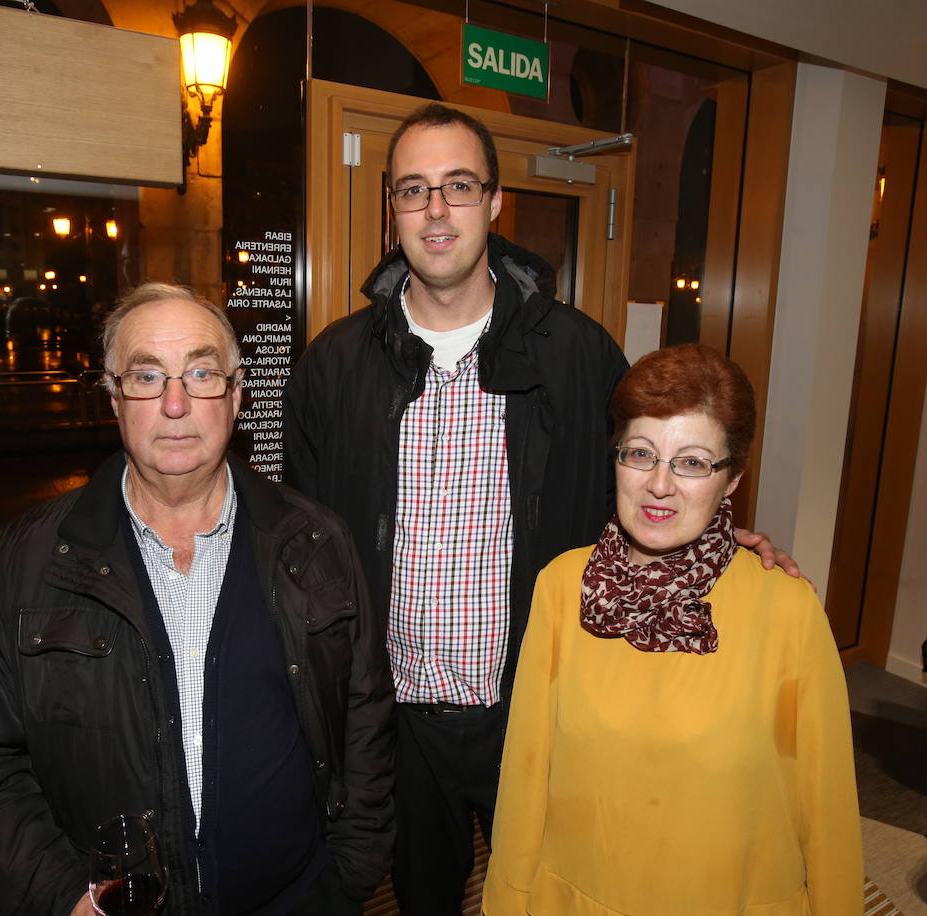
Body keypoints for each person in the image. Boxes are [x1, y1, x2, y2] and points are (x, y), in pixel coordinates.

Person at [283, 103, 800, 914]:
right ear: (392, 208)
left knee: (556, 890)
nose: (436, 209)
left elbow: (639, 487)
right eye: (414, 190)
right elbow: (298, 542)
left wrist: (717, 541)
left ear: (494, 202)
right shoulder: (332, 366)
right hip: (396, 715)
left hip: (537, 703)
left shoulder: (578, 354)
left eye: (458, 185)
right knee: (422, 896)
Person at [0, 283, 394, 916]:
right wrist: (58, 899)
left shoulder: (314, 539)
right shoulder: (24, 560)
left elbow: (364, 717)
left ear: (236, 395)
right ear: (114, 399)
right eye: (146, 376)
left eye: (200, 372)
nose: (175, 403)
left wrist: (349, 877)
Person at [483, 343, 862, 915]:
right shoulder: (562, 586)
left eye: (691, 462)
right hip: (580, 896)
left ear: (731, 479)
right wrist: (509, 899)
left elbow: (826, 797)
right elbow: (526, 767)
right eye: (640, 454)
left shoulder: (786, 608)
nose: (659, 485)